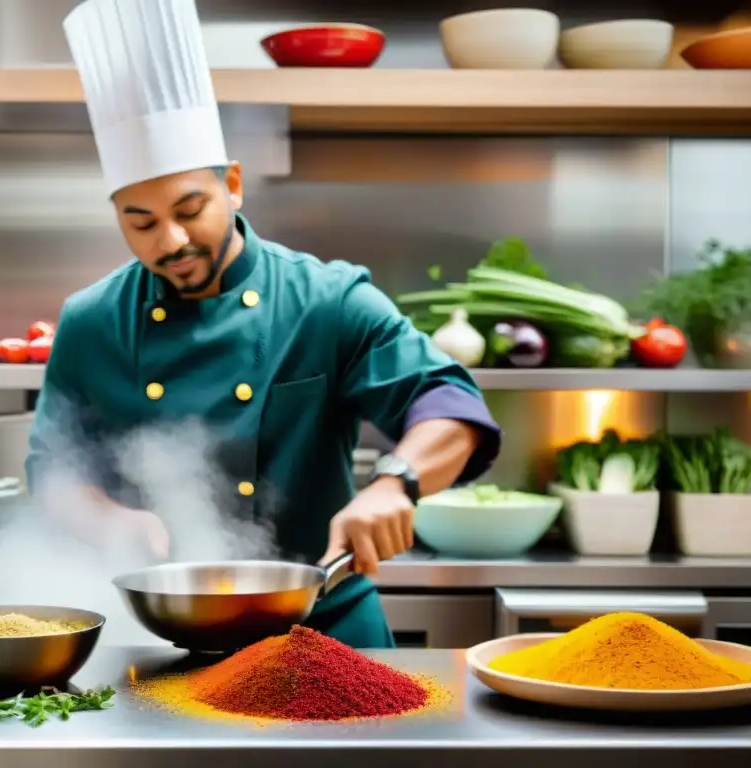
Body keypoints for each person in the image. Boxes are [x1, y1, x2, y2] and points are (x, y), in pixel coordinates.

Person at [26, 0, 502, 649]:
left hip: (326, 623)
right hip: (164, 633)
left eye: (191, 208)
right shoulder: (92, 321)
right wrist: (111, 522)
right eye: (140, 222)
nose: (171, 240)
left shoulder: (327, 300)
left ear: (234, 186)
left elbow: (449, 402)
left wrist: (399, 483)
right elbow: (53, 473)